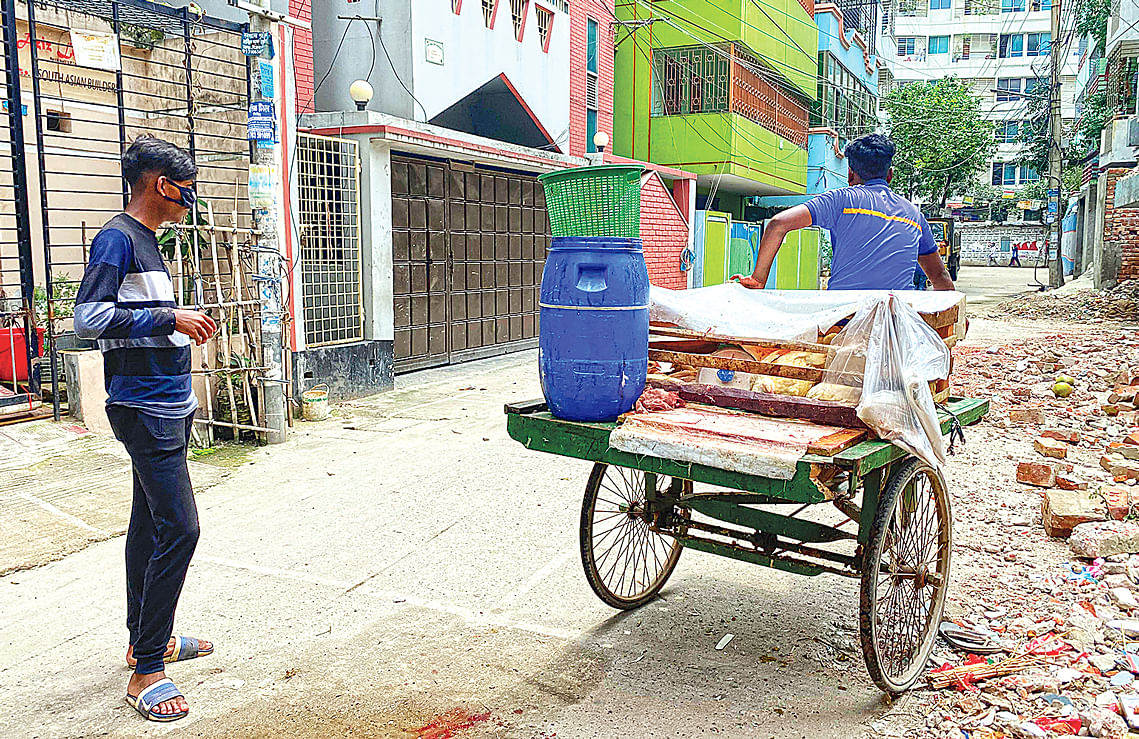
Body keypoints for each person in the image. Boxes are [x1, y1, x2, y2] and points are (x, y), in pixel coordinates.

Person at [74, 136, 218, 723]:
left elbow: (131, 318)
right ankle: (146, 673)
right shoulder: (117, 238)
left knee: (148, 527)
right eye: (187, 189)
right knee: (181, 529)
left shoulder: (148, 244)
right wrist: (172, 315)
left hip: (165, 405)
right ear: (163, 185)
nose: (191, 200)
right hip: (144, 408)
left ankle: (146, 640)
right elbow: (90, 319)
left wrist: (175, 325)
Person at [735, 133, 954, 292]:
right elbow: (938, 275)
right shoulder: (914, 215)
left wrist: (758, 279)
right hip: (896, 320)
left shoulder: (841, 200)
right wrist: (954, 313)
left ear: (850, 174)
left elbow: (777, 224)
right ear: (890, 175)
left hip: (844, 318)